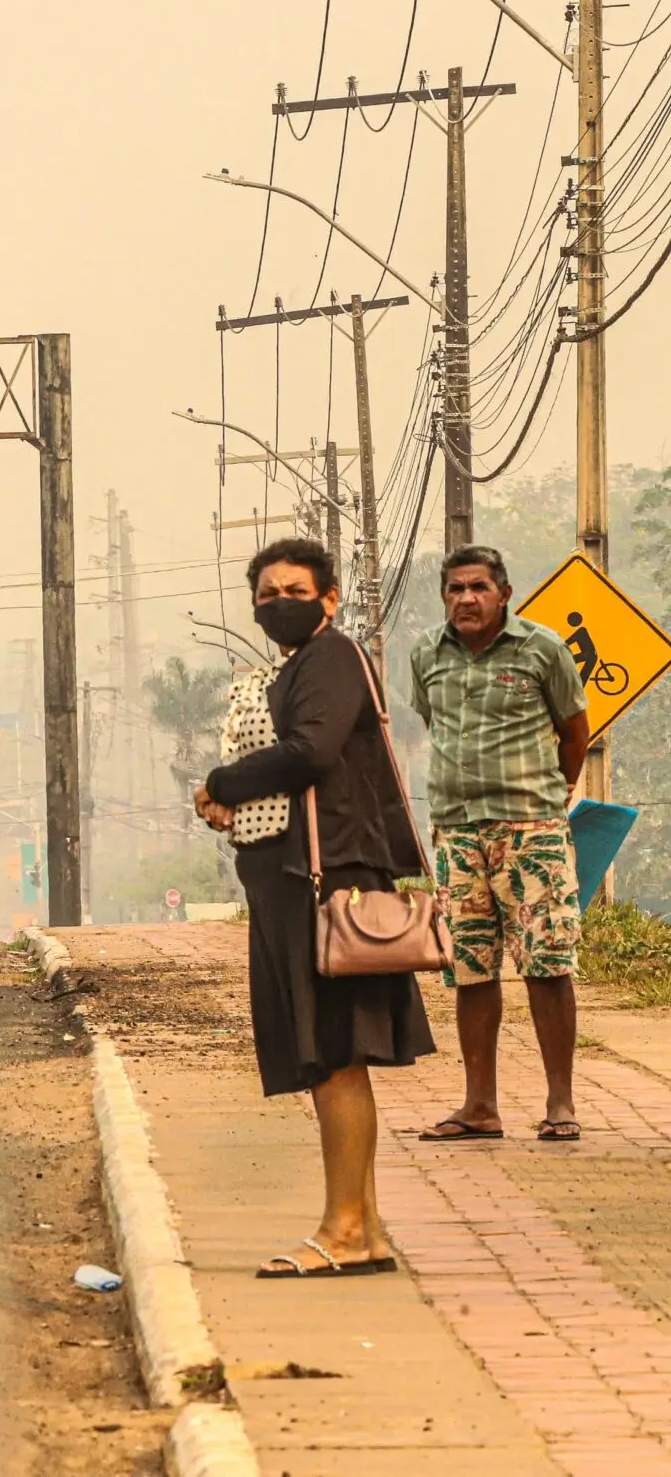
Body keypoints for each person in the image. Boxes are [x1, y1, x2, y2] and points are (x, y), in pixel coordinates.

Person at [196, 537, 434, 1278]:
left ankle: (344, 1230)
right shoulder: (294, 665)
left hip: (325, 878)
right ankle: (364, 1229)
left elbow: (310, 752)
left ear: (329, 599)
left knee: (336, 1054)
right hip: (290, 876)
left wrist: (222, 783)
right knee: (333, 1055)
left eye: (295, 592)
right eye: (266, 595)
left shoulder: (330, 658)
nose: (279, 605)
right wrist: (227, 797)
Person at [408, 546, 591, 1144]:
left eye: (479, 587)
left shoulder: (542, 649)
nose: (466, 598)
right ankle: (479, 1106)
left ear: (504, 594)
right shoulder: (426, 654)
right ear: (444, 596)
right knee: (470, 969)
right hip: (456, 830)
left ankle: (560, 1103)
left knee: (547, 963)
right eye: (455, 588)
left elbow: (574, 733)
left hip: (530, 830)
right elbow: (437, 727)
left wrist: (554, 792)